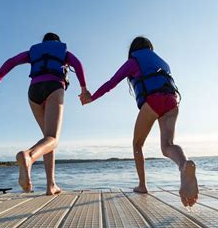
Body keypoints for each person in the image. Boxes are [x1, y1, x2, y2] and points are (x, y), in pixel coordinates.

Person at [80, 36, 198, 206]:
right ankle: (184, 165)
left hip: (154, 100)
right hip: (172, 101)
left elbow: (111, 83)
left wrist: (92, 97)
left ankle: (142, 185)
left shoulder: (134, 61)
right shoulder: (163, 62)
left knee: (137, 144)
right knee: (168, 145)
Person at [0, 32, 90, 195]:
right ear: (57, 42)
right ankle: (29, 156)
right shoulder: (64, 52)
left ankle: (51, 186)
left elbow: (12, 61)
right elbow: (77, 63)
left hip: (34, 91)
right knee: (53, 139)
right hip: (53, 87)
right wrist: (84, 89)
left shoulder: (33, 53)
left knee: (47, 139)